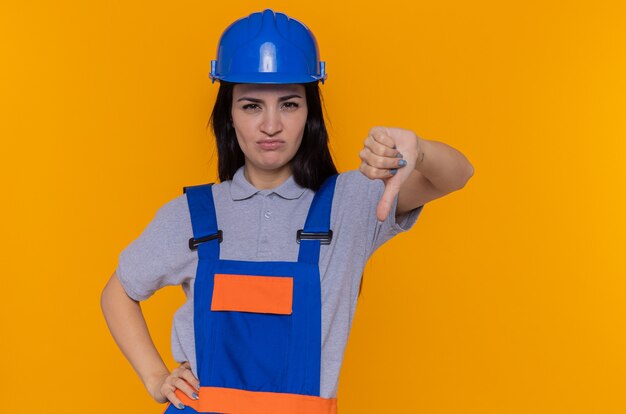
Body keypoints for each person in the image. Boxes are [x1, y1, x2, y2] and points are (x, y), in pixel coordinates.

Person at [101, 8, 473, 414]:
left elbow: (457, 175)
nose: (271, 125)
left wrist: (419, 150)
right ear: (229, 114)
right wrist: (156, 378)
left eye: (290, 104)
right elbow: (118, 292)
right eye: (251, 106)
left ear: (309, 112)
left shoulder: (350, 204)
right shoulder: (192, 214)